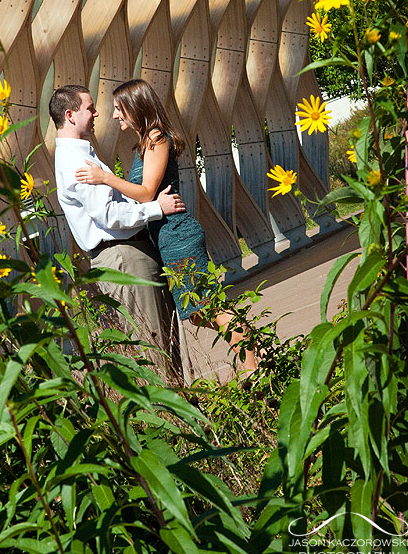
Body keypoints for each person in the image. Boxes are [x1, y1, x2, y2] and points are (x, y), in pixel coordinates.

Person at [75, 79, 258, 375]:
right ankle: (252, 354)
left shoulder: (157, 138)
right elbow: (146, 195)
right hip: (166, 236)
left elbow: (147, 192)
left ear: (136, 107)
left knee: (204, 306)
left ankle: (252, 365)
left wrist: (105, 178)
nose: (114, 115)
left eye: (119, 109)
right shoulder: (145, 144)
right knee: (197, 313)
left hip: (177, 235)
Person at [49, 85, 185, 372]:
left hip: (123, 254)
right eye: (90, 108)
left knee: (158, 341)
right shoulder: (77, 160)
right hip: (123, 255)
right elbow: (108, 215)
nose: (98, 113)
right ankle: (173, 416)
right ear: (71, 115)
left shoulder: (78, 155)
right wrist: (157, 208)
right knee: (156, 347)